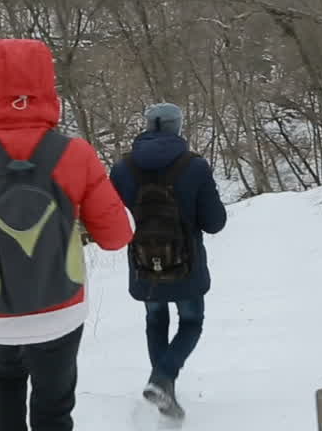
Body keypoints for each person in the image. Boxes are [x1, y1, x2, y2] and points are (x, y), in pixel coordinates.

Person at [0, 38, 133, 431]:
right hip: (60, 307)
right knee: (53, 407)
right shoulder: (77, 154)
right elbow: (117, 237)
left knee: (5, 380)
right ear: (49, 89)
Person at [109, 102, 227, 418]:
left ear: (148, 126)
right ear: (178, 126)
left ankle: (163, 388)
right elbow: (215, 222)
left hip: (145, 264)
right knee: (191, 322)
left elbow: (113, 219)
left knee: (155, 320)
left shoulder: (122, 169)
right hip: (186, 265)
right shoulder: (195, 166)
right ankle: (163, 379)